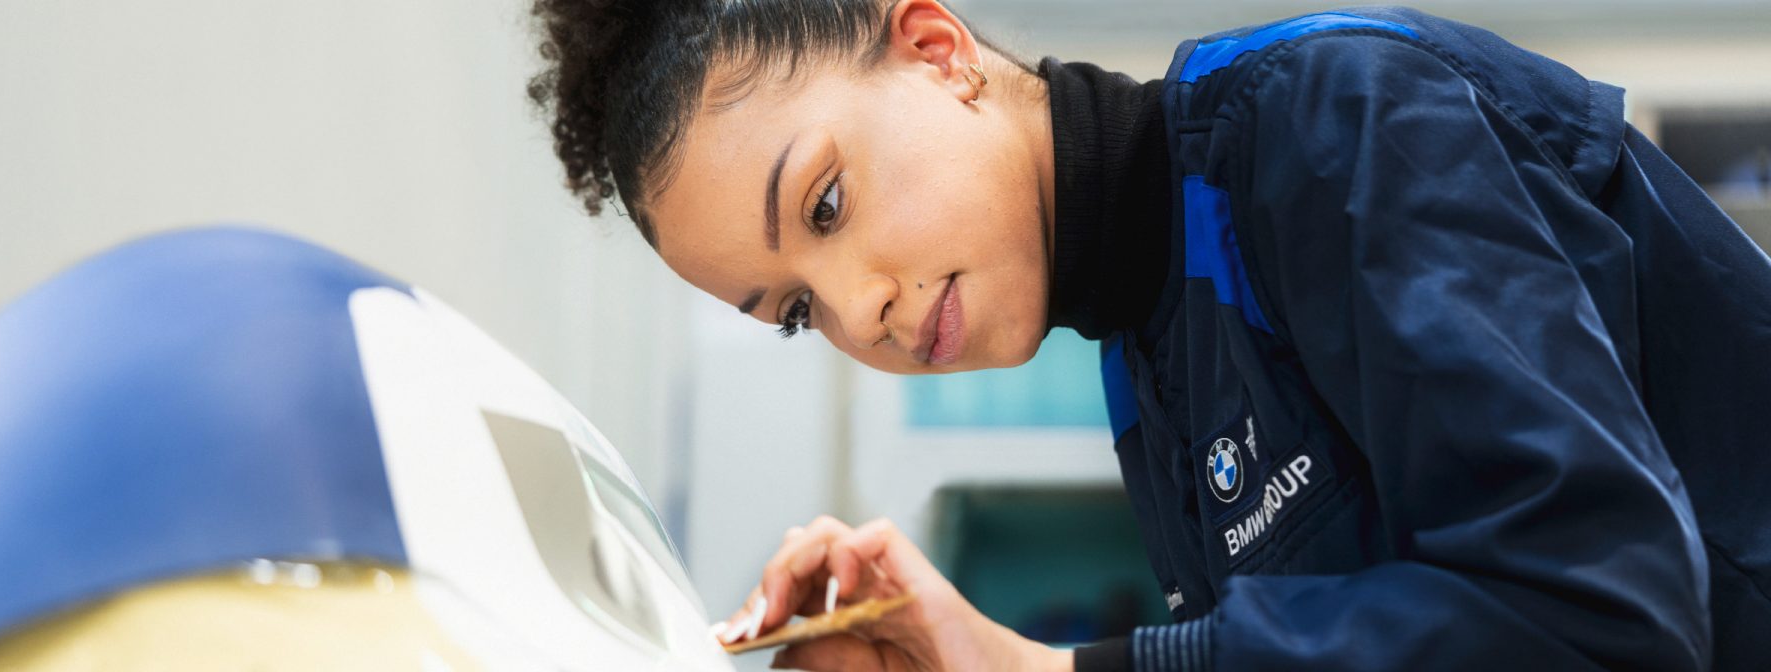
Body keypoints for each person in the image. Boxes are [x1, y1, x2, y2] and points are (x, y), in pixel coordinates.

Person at [525, 1, 1771, 670]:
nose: (862, 312)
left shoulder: (1334, 118)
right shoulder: (1150, 355)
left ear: (936, 49)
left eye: (827, 207)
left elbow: (1600, 616)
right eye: (796, 313)